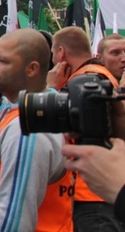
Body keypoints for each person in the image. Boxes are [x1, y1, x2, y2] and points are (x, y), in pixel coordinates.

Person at [0, 29, 73, 231]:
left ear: (32, 69)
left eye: (2, 61)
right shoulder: (16, 111)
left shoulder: (28, 128)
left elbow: (14, 224)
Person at [47, 26, 123, 230]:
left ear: (61, 52)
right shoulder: (98, 76)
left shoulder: (86, 81)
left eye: (53, 53)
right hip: (98, 188)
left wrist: (51, 90)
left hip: (93, 192)